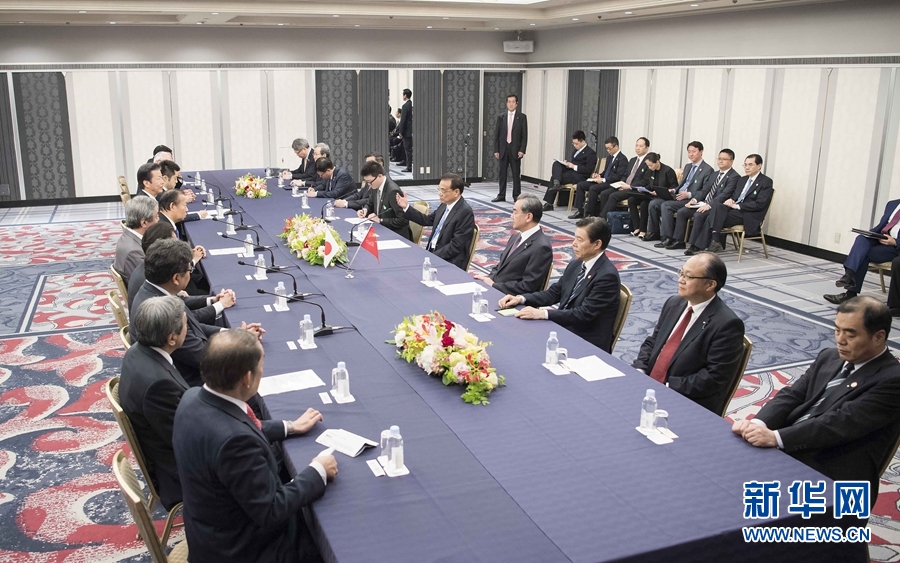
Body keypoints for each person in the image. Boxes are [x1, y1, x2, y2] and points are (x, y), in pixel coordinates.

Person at [173, 330, 337, 563]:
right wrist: (318, 471)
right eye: (261, 367)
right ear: (247, 379)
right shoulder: (235, 443)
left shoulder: (191, 398)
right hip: (243, 550)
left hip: (210, 530)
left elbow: (233, 425)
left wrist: (290, 427)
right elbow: (271, 511)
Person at [733, 296, 900, 507]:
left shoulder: (892, 379)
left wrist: (776, 438)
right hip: (791, 445)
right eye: (837, 330)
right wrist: (758, 423)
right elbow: (793, 394)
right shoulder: (829, 357)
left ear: (879, 337)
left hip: (830, 468)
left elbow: (838, 424)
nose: (840, 340)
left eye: (850, 334)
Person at [131, 238, 257, 387]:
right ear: (176, 278)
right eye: (189, 270)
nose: (190, 273)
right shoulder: (163, 313)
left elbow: (193, 325)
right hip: (193, 379)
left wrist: (233, 333)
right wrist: (240, 342)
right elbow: (205, 358)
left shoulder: (154, 291)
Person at [633, 253, 745, 413]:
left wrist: (666, 386)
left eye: (689, 277)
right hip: (649, 388)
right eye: (681, 273)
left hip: (685, 402)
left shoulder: (727, 324)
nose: (681, 280)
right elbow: (653, 341)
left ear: (710, 284)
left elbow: (713, 378)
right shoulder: (674, 303)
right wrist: (640, 370)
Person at [498, 217, 620, 352]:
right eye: (575, 238)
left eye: (580, 240)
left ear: (597, 244)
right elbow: (554, 292)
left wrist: (543, 313)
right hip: (563, 328)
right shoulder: (576, 264)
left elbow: (583, 314)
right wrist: (521, 298)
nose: (573, 244)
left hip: (585, 341)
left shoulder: (607, 276)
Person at [119, 295, 190, 511]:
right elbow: (186, 441)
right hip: (181, 474)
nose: (188, 329)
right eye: (186, 324)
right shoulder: (158, 386)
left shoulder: (137, 351)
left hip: (165, 449)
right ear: (171, 338)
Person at [127, 222, 228, 321]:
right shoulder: (156, 297)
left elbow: (181, 303)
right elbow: (189, 320)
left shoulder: (151, 271)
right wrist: (220, 305)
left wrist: (213, 300)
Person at [684, 154, 774, 255]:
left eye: (750, 165)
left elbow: (760, 204)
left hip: (748, 213)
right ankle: (713, 241)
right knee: (715, 207)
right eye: (745, 165)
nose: (747, 167)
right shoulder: (743, 180)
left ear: (759, 166)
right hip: (733, 210)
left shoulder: (766, 181)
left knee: (712, 216)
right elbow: (735, 196)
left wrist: (738, 206)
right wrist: (731, 200)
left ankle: (699, 245)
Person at [656, 149, 740, 250]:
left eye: (724, 159)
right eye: (719, 158)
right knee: (682, 212)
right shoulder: (715, 174)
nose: (721, 161)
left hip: (716, 207)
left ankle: (695, 245)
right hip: (702, 203)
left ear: (731, 161)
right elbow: (705, 190)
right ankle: (679, 241)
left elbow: (724, 195)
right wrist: (694, 200)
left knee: (698, 215)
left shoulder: (734, 177)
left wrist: (709, 205)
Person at [824, 197, 900, 305]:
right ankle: (849, 275)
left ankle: (850, 293)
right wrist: (870, 234)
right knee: (861, 239)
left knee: (863, 255)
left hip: (895, 247)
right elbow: (881, 226)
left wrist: (895, 242)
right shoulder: (892, 204)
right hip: (881, 238)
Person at [474, 195, 553, 295]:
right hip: (497, 291)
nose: (511, 216)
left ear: (528, 217)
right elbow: (500, 267)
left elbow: (528, 287)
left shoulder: (541, 247)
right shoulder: (515, 237)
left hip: (512, 299)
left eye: (515, 212)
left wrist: (494, 286)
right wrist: (489, 280)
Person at [398, 173, 475, 271]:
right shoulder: (444, 205)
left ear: (456, 192)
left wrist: (432, 257)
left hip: (450, 261)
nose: (440, 193)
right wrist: (406, 207)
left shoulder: (465, 212)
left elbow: (456, 246)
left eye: (443, 190)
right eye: (439, 189)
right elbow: (427, 220)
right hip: (434, 252)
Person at [644, 141, 713, 242]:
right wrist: (673, 190)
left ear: (701, 152)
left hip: (691, 199)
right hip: (678, 195)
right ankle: (654, 232)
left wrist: (688, 194)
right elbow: (682, 184)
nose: (691, 154)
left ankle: (667, 237)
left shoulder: (707, 169)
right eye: (689, 152)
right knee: (654, 203)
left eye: (694, 151)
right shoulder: (688, 166)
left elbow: (704, 191)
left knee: (666, 205)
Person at [568, 136, 628, 219]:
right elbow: (606, 171)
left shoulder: (622, 159)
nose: (608, 151)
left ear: (616, 146)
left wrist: (603, 179)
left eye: (609, 148)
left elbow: (618, 176)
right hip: (603, 180)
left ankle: (590, 213)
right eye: (606, 148)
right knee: (581, 185)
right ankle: (580, 211)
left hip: (611, 182)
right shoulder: (609, 158)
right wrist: (599, 175)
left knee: (593, 188)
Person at [594, 137, 652, 220]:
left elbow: (645, 180)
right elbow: (625, 174)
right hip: (624, 185)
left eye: (641, 146)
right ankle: (608, 218)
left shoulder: (649, 162)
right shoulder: (632, 160)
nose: (637, 148)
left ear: (647, 148)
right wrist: (621, 183)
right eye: (636, 145)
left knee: (613, 196)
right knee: (604, 193)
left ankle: (602, 218)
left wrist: (629, 186)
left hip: (633, 189)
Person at [625, 152, 678, 238]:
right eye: (648, 166)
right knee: (631, 200)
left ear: (657, 162)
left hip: (662, 196)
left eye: (651, 165)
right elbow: (647, 182)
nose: (649, 167)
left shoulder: (668, 171)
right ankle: (637, 227)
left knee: (644, 204)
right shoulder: (650, 171)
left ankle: (644, 230)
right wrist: (642, 189)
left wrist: (663, 191)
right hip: (650, 194)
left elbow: (674, 187)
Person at [542, 130, 598, 211]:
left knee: (554, 177)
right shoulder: (576, 151)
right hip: (571, 171)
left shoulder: (590, 153)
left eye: (576, 144)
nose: (574, 145)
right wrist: (567, 163)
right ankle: (557, 183)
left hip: (580, 176)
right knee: (556, 164)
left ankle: (549, 202)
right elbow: (574, 162)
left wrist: (574, 166)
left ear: (583, 141)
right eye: (573, 143)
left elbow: (588, 169)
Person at [357, 161, 411, 241]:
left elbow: (404, 220)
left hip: (396, 235)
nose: (369, 185)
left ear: (379, 176)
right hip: (380, 229)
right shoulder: (375, 185)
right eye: (367, 182)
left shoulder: (393, 191)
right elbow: (370, 203)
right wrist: (365, 210)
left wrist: (381, 220)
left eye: (370, 182)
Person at [114, 196, 158, 287]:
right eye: (156, 216)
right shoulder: (134, 252)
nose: (158, 220)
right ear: (144, 223)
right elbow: (149, 283)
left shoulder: (128, 236)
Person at [492, 93, 528, 202]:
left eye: (513, 102)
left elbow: (524, 136)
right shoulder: (501, 117)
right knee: (502, 174)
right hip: (503, 149)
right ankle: (501, 195)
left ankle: (516, 195)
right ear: (506, 103)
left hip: (515, 150)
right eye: (509, 102)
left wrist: (522, 150)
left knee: (516, 174)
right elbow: (496, 134)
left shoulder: (522, 117)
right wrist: (496, 149)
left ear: (516, 103)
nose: (511, 104)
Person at [398, 89, 413, 173]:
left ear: (405, 95)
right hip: (410, 130)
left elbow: (403, 120)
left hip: (406, 131)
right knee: (409, 149)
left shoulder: (405, 106)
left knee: (407, 150)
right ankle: (408, 165)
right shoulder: (411, 104)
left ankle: (409, 167)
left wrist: (400, 131)